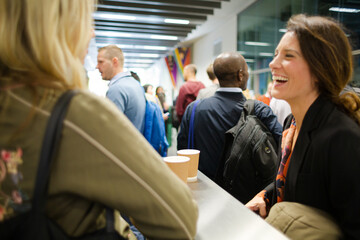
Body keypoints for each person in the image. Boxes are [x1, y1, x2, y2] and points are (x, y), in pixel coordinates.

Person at [0, 1, 198, 239]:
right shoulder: (74, 114)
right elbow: (180, 218)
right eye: (87, 21)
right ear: (60, 26)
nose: (91, 32)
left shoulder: (15, 103)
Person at [245, 14, 360, 239]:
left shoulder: (342, 137)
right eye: (276, 54)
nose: (273, 63)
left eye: (288, 56)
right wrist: (265, 196)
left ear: (320, 69)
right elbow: (291, 181)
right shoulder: (292, 124)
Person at [177, 52, 282, 181]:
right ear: (240, 75)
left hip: (204, 187)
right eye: (247, 71)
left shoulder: (193, 109)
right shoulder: (259, 110)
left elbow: (182, 150)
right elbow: (282, 145)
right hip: (244, 195)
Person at [97, 45, 146, 133]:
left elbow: (110, 131)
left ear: (114, 61)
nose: (97, 66)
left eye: (101, 62)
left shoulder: (116, 89)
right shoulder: (135, 84)